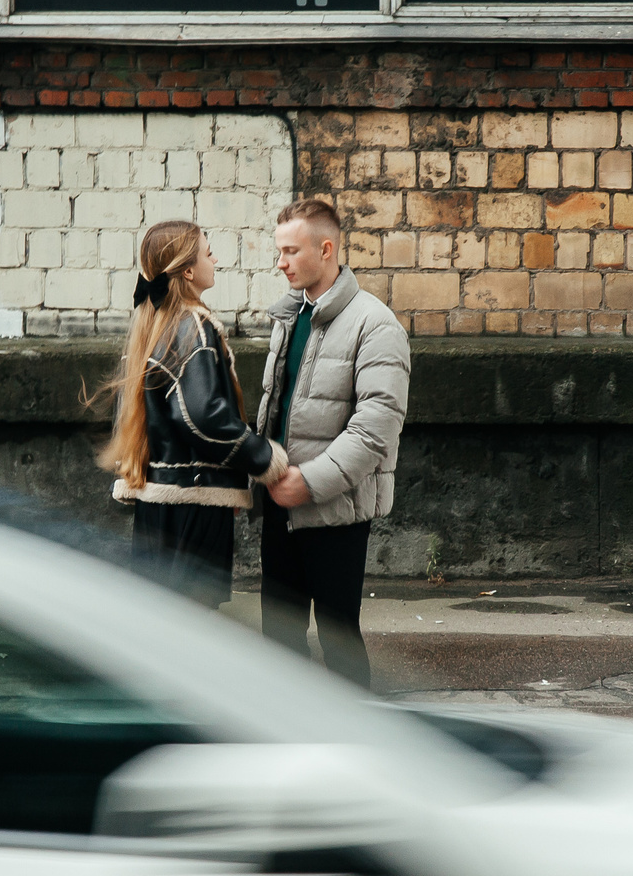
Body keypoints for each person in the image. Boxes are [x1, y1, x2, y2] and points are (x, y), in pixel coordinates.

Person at [254, 199, 411, 686]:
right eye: (279, 251)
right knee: (277, 636)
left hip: (334, 507)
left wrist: (311, 482)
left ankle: (356, 741)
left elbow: (376, 427)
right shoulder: (290, 316)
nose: (281, 262)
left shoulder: (375, 324)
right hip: (279, 497)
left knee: (338, 637)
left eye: (290, 251)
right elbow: (276, 408)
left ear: (326, 249)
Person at [99, 219, 289, 606]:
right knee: (194, 626)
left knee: (164, 622)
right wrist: (265, 458)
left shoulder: (154, 324)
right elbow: (203, 417)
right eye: (207, 252)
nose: (215, 259)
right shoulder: (193, 326)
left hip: (158, 505)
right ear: (188, 269)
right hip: (193, 503)